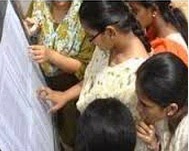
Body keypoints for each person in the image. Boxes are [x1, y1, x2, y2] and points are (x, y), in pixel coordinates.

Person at [38, 0, 150, 118]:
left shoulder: (135, 76)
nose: (92, 43)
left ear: (110, 32)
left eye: (91, 37)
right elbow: (92, 79)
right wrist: (65, 96)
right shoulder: (106, 47)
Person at [24, 1, 95, 150]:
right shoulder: (39, 4)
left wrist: (51, 56)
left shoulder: (85, 12)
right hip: (37, 80)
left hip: (69, 89)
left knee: (66, 137)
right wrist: (29, 28)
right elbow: (27, 32)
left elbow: (85, 67)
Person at [135, 52, 188, 151]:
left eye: (145, 105)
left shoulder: (186, 136)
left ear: (171, 109)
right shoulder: (162, 118)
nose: (138, 108)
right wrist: (155, 145)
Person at [129, 0, 188, 65]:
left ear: (153, 10)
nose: (132, 17)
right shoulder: (153, 32)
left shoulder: (167, 49)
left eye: (135, 11)